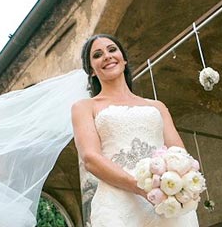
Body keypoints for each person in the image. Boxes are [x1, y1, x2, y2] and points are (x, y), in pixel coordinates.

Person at [71, 34, 199, 226]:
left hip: (166, 200)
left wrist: (177, 184)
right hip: (117, 204)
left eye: (112, 50)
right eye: (97, 55)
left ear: (124, 59)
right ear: (91, 71)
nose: (107, 56)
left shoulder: (157, 106)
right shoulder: (84, 107)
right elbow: (90, 158)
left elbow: (180, 154)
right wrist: (140, 188)